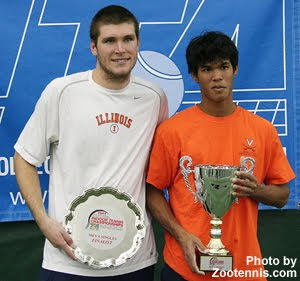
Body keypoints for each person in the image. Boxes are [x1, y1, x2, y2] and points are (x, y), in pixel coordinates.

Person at [14, 5, 168, 281]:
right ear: (94, 47)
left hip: (133, 261)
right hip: (68, 258)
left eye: (127, 39)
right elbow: (24, 157)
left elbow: (158, 171)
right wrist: (43, 221)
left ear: (138, 43)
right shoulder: (62, 92)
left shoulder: (154, 98)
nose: (120, 49)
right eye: (109, 41)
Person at [146, 31, 295, 281]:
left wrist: (255, 190)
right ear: (194, 75)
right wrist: (181, 235)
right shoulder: (172, 130)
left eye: (224, 67)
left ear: (235, 69)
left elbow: (282, 196)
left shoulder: (262, 130)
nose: (217, 77)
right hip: (185, 268)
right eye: (207, 69)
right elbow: (152, 191)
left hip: (244, 270)